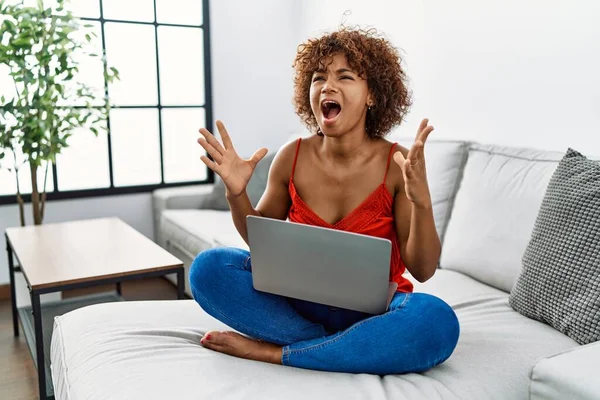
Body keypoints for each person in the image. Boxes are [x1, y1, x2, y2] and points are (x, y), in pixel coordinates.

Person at [190, 27, 460, 375]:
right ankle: (338, 346)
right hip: (297, 306)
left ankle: (278, 353)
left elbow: (422, 271)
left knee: (437, 322)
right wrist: (236, 193)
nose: (327, 86)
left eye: (344, 77)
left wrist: (422, 203)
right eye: (319, 77)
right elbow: (261, 242)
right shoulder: (292, 156)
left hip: (375, 311)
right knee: (208, 268)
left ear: (372, 96)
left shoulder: (397, 164)